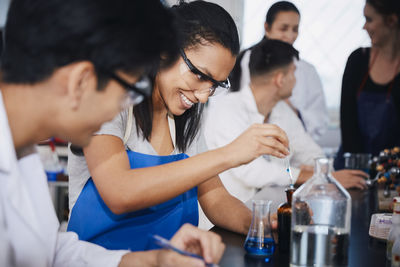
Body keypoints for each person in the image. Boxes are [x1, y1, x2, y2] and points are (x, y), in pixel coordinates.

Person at [0, 0, 226, 266]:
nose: (124, 107)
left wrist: (152, 261)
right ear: (80, 81)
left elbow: (50, 253)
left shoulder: (20, 151)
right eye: (128, 90)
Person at [67, 0, 289, 251]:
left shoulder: (183, 120)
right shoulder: (111, 102)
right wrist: (229, 154)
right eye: (200, 75)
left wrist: (260, 225)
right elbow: (119, 192)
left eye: (215, 84)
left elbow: (215, 199)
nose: (204, 96)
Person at [204, 38, 368, 205]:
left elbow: (311, 153)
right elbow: (251, 171)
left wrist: (320, 172)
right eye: (293, 72)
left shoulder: (282, 110)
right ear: (280, 79)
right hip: (229, 218)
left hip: (272, 210)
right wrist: (307, 175)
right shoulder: (226, 108)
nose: (296, 80)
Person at [231, 1, 329, 142]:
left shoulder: (307, 70)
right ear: (267, 28)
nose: (290, 36)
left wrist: (291, 109)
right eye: (283, 28)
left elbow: (318, 122)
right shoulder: (245, 61)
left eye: (295, 29)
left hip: (292, 149)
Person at [335, 0, 400, 169]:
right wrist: (359, 173)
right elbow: (347, 125)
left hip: (392, 174)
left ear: (391, 21)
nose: (364, 27)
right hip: (352, 168)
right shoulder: (358, 61)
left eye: (369, 20)